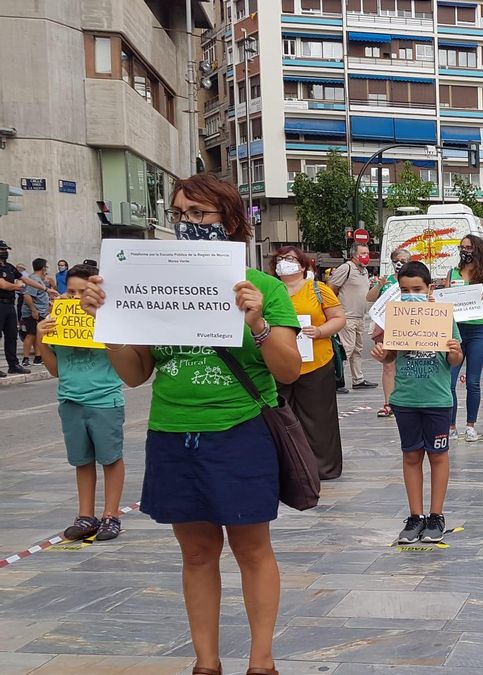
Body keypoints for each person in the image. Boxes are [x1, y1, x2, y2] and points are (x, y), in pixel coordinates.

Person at [79, 174, 300, 675]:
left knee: (251, 547)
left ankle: (261, 662)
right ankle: (206, 663)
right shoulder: (149, 285)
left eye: (201, 215)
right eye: (181, 215)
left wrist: (258, 323)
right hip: (173, 432)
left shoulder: (262, 287)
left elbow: (289, 370)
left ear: (231, 221)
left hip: (241, 429)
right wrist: (107, 325)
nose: (189, 225)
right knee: (197, 551)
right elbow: (135, 375)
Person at [372, 261, 463, 544]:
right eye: (405, 290)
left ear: (429, 289)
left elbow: (455, 360)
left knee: (438, 455)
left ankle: (436, 515)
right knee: (411, 455)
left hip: (436, 398)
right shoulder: (396, 319)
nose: (411, 294)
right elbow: (390, 356)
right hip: (406, 398)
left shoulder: (444, 318)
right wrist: (381, 353)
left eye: (417, 289)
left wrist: (454, 351)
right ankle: (415, 516)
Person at [37, 263, 127, 541]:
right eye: (70, 291)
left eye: (81, 292)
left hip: (104, 399)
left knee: (110, 458)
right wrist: (42, 339)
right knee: (81, 460)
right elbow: (55, 370)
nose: (74, 298)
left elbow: (122, 358)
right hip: (70, 399)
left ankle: (111, 515)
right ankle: (85, 515)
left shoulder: (108, 320)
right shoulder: (57, 320)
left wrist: (103, 324)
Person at [270, 246, 347, 480]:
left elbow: (338, 318)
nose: (285, 263)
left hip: (316, 362)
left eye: (291, 259)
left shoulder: (318, 289)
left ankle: (323, 467)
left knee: (318, 418)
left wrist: (321, 330)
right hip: (279, 362)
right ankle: (285, 465)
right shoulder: (269, 290)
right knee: (280, 416)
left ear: (303, 266)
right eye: (281, 259)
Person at [447, 235, 483, 441]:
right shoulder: (453, 272)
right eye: (462, 247)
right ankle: (450, 425)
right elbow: (446, 299)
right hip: (456, 330)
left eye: (468, 247)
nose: (464, 250)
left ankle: (470, 424)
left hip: (479, 330)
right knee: (449, 381)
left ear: (477, 249)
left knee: (473, 381)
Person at [367, 247, 411, 416]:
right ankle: (388, 403)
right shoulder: (387, 281)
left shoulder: (412, 280)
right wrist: (379, 285)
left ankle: (405, 400)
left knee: (407, 363)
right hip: (386, 326)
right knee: (388, 365)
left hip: (408, 327)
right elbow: (369, 298)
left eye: (404, 260)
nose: (400, 263)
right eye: (397, 260)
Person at [328, 243, 376, 390]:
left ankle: (358, 379)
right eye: (362, 253)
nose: (366, 256)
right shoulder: (346, 268)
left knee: (357, 350)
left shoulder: (364, 271)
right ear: (354, 255)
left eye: (367, 253)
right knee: (346, 350)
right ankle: (335, 380)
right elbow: (331, 287)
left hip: (360, 316)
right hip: (347, 316)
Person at [0, 240, 29, 377]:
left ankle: (13, 365)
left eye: (6, 249)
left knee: (11, 336)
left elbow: (25, 279)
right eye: (2, 250)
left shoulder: (10, 267)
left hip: (10, 304)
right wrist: (19, 286)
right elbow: (3, 285)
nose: (5, 252)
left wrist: (46, 289)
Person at [21, 258, 54, 366]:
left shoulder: (39, 279)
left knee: (37, 334)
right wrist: (33, 310)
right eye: (46, 266)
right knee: (31, 334)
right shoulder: (34, 279)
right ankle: (25, 358)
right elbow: (27, 295)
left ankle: (38, 357)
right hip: (33, 312)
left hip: (41, 311)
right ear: (43, 267)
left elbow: (39, 295)